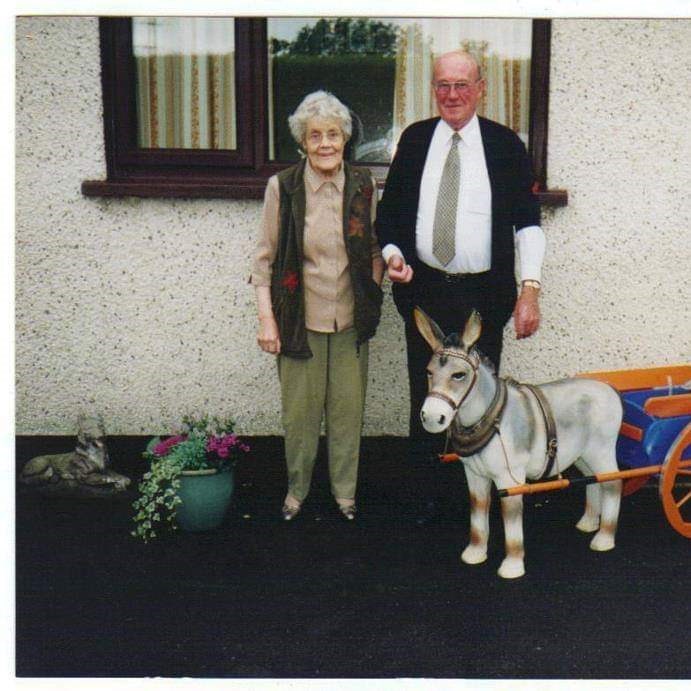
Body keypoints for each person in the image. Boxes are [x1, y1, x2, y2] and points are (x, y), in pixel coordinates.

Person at [375, 50, 546, 523]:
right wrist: (393, 257)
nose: (452, 95)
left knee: (479, 400)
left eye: (462, 85)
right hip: (425, 292)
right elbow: (388, 217)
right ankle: (429, 499)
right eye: (443, 85)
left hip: (482, 299)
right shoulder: (414, 140)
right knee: (426, 394)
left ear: (481, 87)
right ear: (434, 88)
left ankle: (478, 498)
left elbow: (527, 223)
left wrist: (529, 289)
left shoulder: (505, 145)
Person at [250, 90, 384, 522]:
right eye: (315, 136)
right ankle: (297, 492)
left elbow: (376, 250)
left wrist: (375, 290)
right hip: (297, 321)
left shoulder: (363, 185)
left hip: (350, 320)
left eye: (333, 134)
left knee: (347, 414)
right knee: (301, 417)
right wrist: (267, 321)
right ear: (302, 143)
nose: (325, 144)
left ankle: (345, 494)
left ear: (345, 138)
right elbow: (263, 258)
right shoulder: (283, 187)